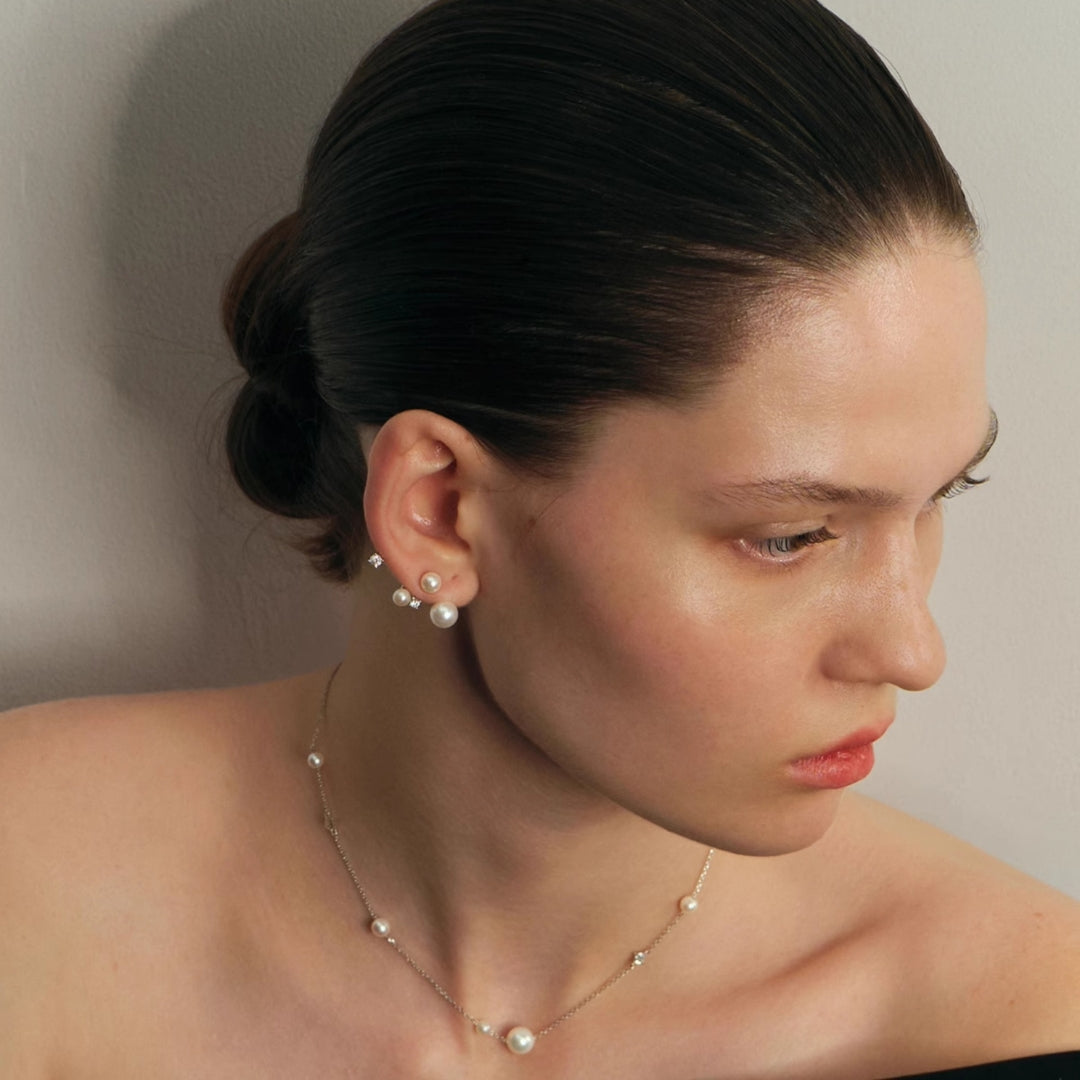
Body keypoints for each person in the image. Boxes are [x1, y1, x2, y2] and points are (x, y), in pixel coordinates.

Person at [2, 0, 1079, 1076]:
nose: (911, 652)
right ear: (438, 511)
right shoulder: (28, 892)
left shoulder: (1016, 1017)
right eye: (792, 536)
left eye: (942, 493)